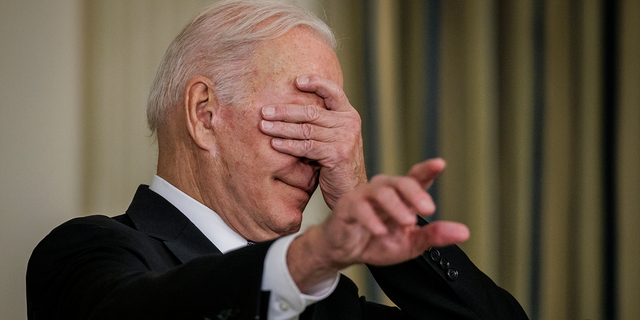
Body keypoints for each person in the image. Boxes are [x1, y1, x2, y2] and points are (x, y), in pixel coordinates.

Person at [26, 1, 528, 319]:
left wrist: (364, 203)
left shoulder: (330, 301)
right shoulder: (88, 252)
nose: (323, 157)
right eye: (304, 125)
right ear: (204, 114)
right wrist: (304, 258)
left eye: (335, 135)